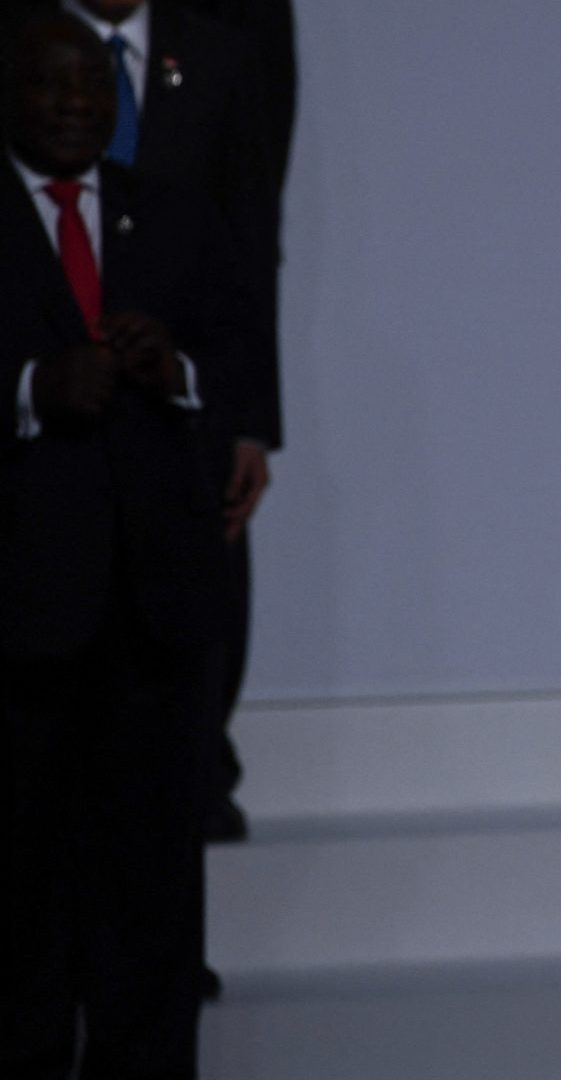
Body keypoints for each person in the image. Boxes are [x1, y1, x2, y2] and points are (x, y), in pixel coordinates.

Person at [0, 11, 257, 1078]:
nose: (75, 104)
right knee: (18, 891)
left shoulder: (173, 212)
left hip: (153, 620)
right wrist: (28, 388)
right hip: (18, 623)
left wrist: (176, 372)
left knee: (152, 894)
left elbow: (234, 351)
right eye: (53, 85)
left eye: (93, 88)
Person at [57, 0, 285, 842]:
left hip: (183, 406)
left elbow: (252, 237)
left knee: (186, 628)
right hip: (49, 411)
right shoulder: (25, 42)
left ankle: (199, 786)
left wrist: (254, 418)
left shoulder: (220, 51)